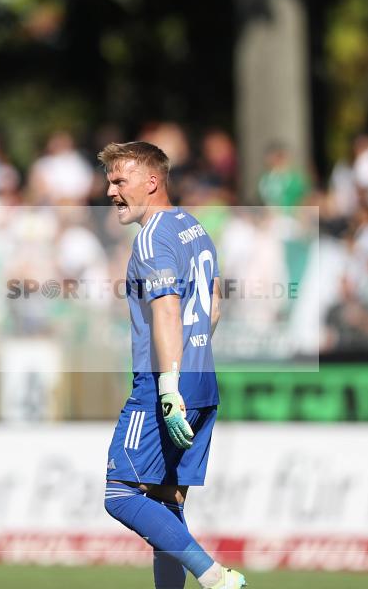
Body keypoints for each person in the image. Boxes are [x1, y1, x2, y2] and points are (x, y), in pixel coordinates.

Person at [98, 141, 246, 589]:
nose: (110, 191)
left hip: (165, 383)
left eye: (120, 181)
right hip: (202, 380)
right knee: (166, 501)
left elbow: (166, 309)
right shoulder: (194, 227)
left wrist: (168, 385)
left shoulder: (152, 235)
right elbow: (214, 308)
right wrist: (190, 361)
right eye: (109, 181)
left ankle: (213, 576)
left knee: (120, 494)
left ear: (151, 181)